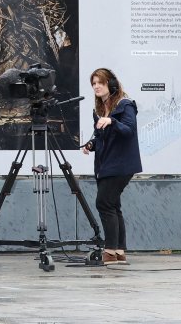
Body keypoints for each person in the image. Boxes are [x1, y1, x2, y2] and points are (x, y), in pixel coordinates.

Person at [80, 67, 141, 267]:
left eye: (101, 83)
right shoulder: (99, 109)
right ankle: (119, 252)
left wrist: (112, 121)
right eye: (94, 83)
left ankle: (109, 251)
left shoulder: (125, 105)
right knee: (113, 205)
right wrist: (92, 144)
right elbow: (102, 138)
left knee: (104, 203)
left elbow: (129, 131)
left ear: (111, 85)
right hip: (106, 164)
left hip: (121, 165)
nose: (96, 87)